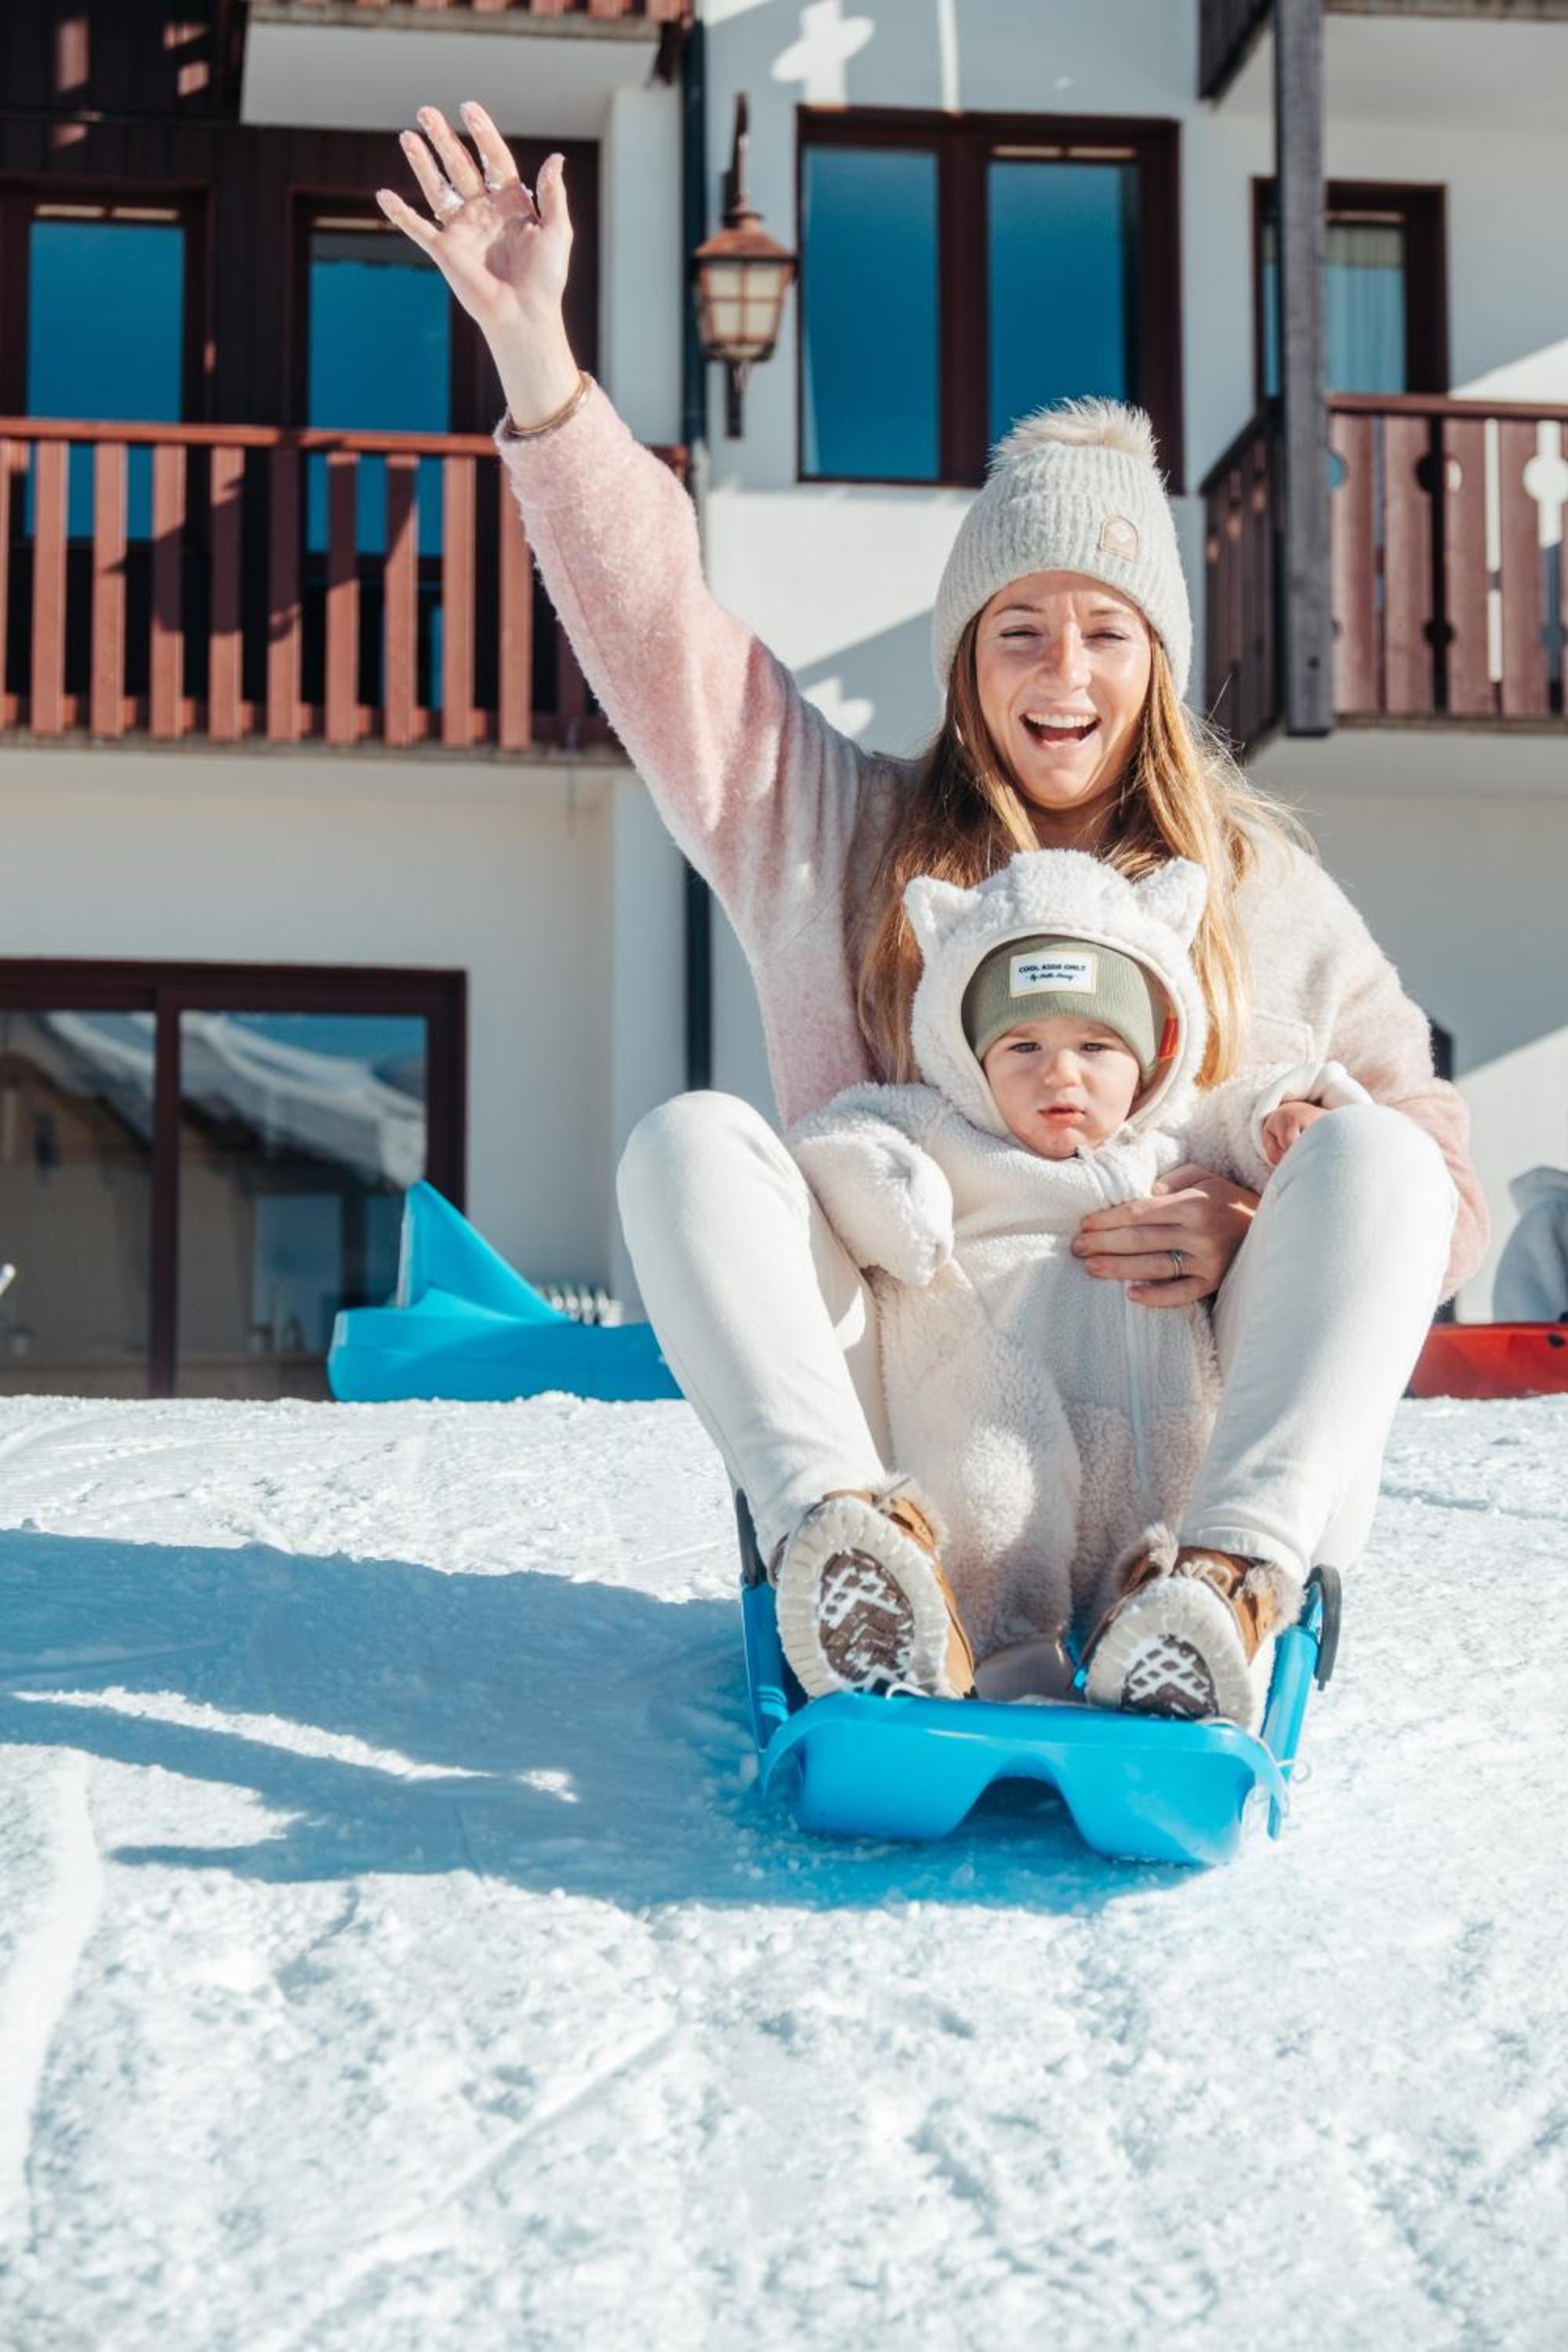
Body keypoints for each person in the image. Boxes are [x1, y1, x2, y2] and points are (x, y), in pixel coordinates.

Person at [379, 107, 1484, 1722]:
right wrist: (537, 356)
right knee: (689, 1145)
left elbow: (1433, 1197)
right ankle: (845, 1550)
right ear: (966, 662)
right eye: (1017, 628)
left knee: (1377, 1154)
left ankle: (1231, 1593)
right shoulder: (852, 840)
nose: (1062, 671)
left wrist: (1262, 1225)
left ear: (1157, 659)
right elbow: (665, 638)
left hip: (1184, 1445)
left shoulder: (1258, 892)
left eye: (1105, 630)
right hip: (930, 1430)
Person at [786, 844, 1370, 1730]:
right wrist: (887, 1187)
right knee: (997, 1492)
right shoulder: (946, 1132)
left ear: (1150, 1055)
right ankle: (967, 1651)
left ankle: (1165, 1636)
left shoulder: (1172, 1144)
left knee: (1162, 1541)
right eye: (1023, 1045)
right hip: (987, 1427)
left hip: (1152, 1463)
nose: (1059, 1074)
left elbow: (1248, 1114)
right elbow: (841, 1140)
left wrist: (1283, 1118)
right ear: (969, 1054)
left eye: (1095, 1045)